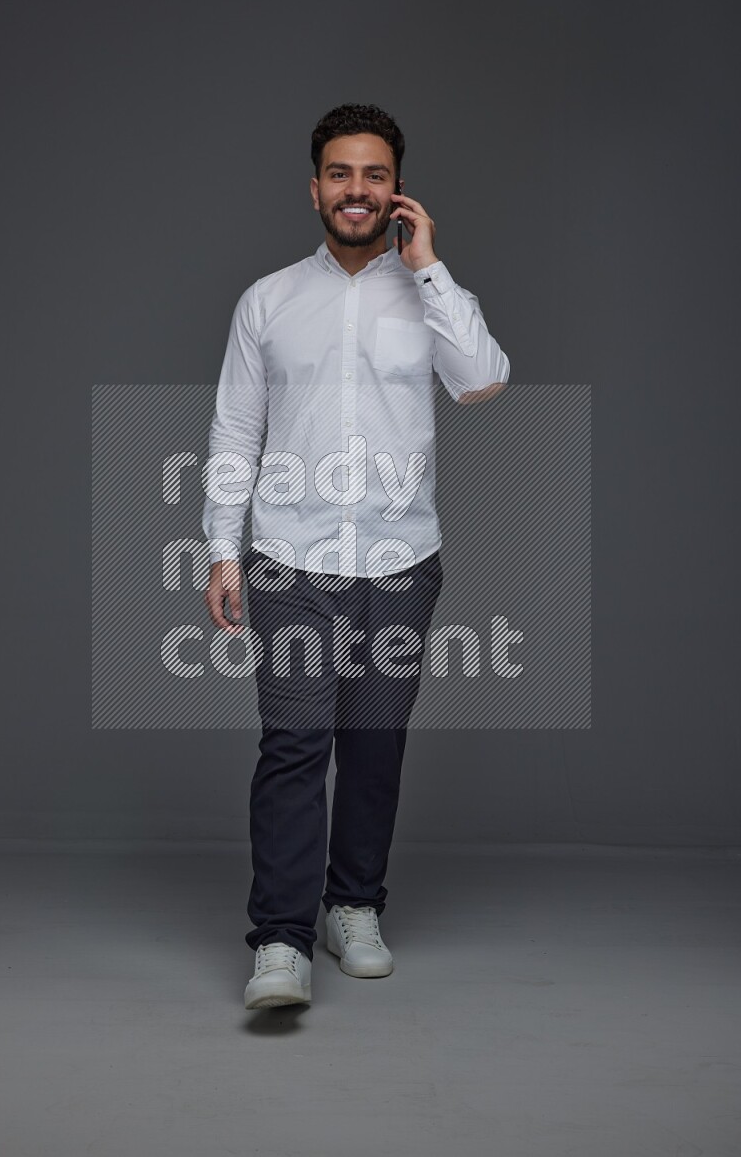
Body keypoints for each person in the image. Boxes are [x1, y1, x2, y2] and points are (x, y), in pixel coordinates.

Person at [202, 103, 510, 1009]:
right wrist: (222, 549)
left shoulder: (433, 293)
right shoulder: (268, 299)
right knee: (294, 743)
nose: (357, 190)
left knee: (374, 744)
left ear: (397, 191)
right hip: (289, 557)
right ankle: (281, 939)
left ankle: (353, 905)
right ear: (315, 188)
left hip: (400, 556)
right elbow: (233, 427)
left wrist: (430, 269)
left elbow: (483, 380)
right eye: (341, 174)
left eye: (375, 175)